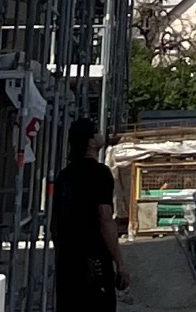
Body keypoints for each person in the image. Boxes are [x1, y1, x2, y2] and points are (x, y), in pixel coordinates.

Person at [51, 117, 125, 312]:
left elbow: (55, 224)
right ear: (91, 141)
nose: (102, 135)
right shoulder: (100, 174)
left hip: (68, 263)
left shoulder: (63, 176)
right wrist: (120, 262)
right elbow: (105, 219)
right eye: (97, 132)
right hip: (95, 261)